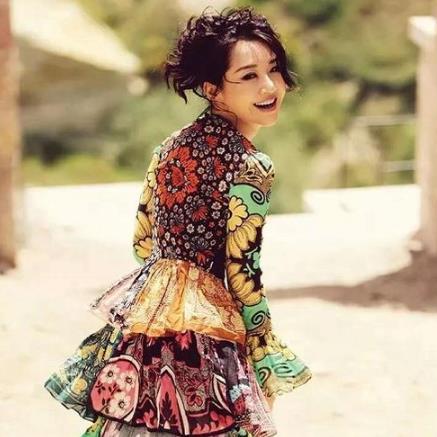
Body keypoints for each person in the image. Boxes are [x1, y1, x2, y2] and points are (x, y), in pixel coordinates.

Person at [44, 6, 312, 436]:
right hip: (209, 335)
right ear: (212, 88)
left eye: (274, 69)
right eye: (248, 76)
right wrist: (262, 352)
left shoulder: (169, 148)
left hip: (148, 321)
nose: (269, 86)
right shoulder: (250, 166)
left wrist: (173, 288)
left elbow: (142, 243)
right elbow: (242, 273)